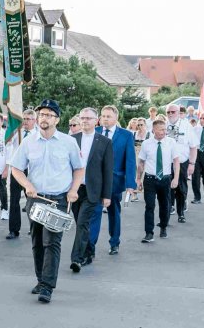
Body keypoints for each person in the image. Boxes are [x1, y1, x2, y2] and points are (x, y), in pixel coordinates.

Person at [10, 99, 83, 303]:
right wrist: (27, 185)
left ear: (57, 120)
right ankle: (41, 279)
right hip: (36, 199)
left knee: (52, 242)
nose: (44, 118)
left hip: (58, 199)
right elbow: (16, 168)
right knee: (37, 241)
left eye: (49, 115)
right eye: (41, 114)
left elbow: (79, 168)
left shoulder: (68, 142)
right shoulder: (28, 142)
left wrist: (74, 190)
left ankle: (47, 286)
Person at [68, 107, 112, 272]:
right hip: (75, 189)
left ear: (96, 121)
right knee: (81, 223)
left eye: (88, 118)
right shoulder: (72, 139)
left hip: (93, 190)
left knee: (82, 223)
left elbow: (107, 170)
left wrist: (106, 195)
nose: (85, 121)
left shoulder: (104, 142)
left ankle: (76, 259)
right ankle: (89, 251)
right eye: (82, 118)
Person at [89, 105, 137, 255]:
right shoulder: (94, 131)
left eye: (108, 116)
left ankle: (114, 242)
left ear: (116, 118)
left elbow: (130, 160)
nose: (105, 119)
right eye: (103, 116)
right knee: (95, 213)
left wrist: (130, 184)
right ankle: (90, 247)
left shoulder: (126, 135)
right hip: (96, 181)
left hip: (115, 181)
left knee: (114, 212)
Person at [136, 116, 179, 242]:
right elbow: (141, 163)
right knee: (149, 206)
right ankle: (149, 233)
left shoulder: (171, 142)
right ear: (154, 130)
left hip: (165, 179)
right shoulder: (146, 144)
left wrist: (175, 178)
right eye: (161, 129)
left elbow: (176, 161)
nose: (164, 132)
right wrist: (138, 179)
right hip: (150, 179)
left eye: (165, 129)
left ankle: (163, 226)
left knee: (165, 205)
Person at [5, 108, 37, 239]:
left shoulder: (38, 135)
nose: (25, 121)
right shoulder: (17, 132)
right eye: (24, 119)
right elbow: (6, 143)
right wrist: (11, 134)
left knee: (32, 200)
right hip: (17, 169)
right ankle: (13, 230)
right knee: (14, 200)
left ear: (34, 120)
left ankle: (34, 227)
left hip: (31, 170)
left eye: (28, 119)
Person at [163, 104, 195, 223]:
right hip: (166, 163)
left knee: (181, 189)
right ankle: (168, 210)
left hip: (182, 162)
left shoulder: (186, 126)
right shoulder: (163, 125)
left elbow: (193, 146)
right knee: (167, 188)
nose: (170, 114)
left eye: (173, 112)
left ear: (178, 112)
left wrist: (192, 163)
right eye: (168, 112)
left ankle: (180, 212)